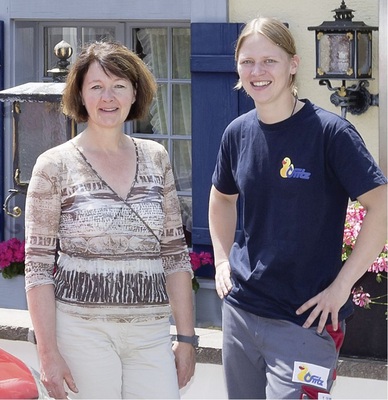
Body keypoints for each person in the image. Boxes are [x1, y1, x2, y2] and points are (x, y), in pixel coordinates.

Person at [208, 16, 387, 400]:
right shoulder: (237, 133)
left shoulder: (330, 134)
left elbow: (381, 205)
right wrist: (222, 261)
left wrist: (342, 287)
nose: (257, 72)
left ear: (293, 64)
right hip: (241, 314)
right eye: (247, 61)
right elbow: (221, 198)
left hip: (307, 324)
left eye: (269, 61)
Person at [24, 41, 196, 400]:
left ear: (135, 93)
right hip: (82, 331)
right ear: (80, 94)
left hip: (151, 332)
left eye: (119, 86)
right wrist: (48, 353)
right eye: (97, 86)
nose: (108, 97)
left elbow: (176, 254)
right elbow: (37, 266)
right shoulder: (53, 165)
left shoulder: (156, 158)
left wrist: (186, 338)